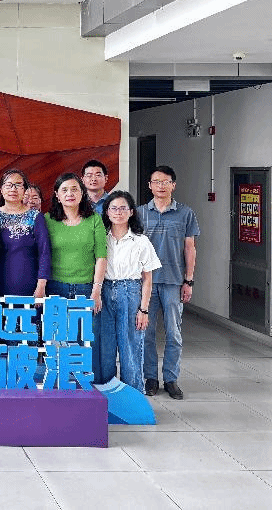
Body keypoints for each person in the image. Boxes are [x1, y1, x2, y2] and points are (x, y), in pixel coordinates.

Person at [138, 166, 199, 400]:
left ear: (173, 185)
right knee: (147, 333)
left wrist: (189, 280)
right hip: (147, 283)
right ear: (149, 186)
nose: (161, 186)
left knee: (174, 333)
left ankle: (171, 379)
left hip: (174, 282)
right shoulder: (140, 213)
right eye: (156, 181)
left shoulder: (185, 213)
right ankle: (151, 378)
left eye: (165, 182)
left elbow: (189, 248)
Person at [98, 191, 161, 392]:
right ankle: (107, 395)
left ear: (131, 212)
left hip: (131, 292)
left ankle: (132, 396)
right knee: (105, 347)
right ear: (107, 212)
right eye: (113, 208)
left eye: (123, 208)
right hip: (104, 291)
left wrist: (144, 310)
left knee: (131, 347)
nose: (118, 212)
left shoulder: (141, 241)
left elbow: (148, 278)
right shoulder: (100, 238)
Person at [44, 173, 107, 316]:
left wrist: (96, 290)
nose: (70, 194)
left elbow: (101, 257)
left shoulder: (94, 219)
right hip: (55, 287)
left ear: (82, 193)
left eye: (74, 189)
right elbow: (41, 254)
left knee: (83, 330)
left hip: (86, 288)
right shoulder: (47, 219)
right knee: (57, 330)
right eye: (64, 190)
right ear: (57, 195)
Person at [0, 170, 50, 299]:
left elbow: (44, 252)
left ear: (25, 190)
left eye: (18, 185)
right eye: (8, 185)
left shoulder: (35, 217)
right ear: (1, 189)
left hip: (28, 284)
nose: (13, 189)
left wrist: (41, 286)